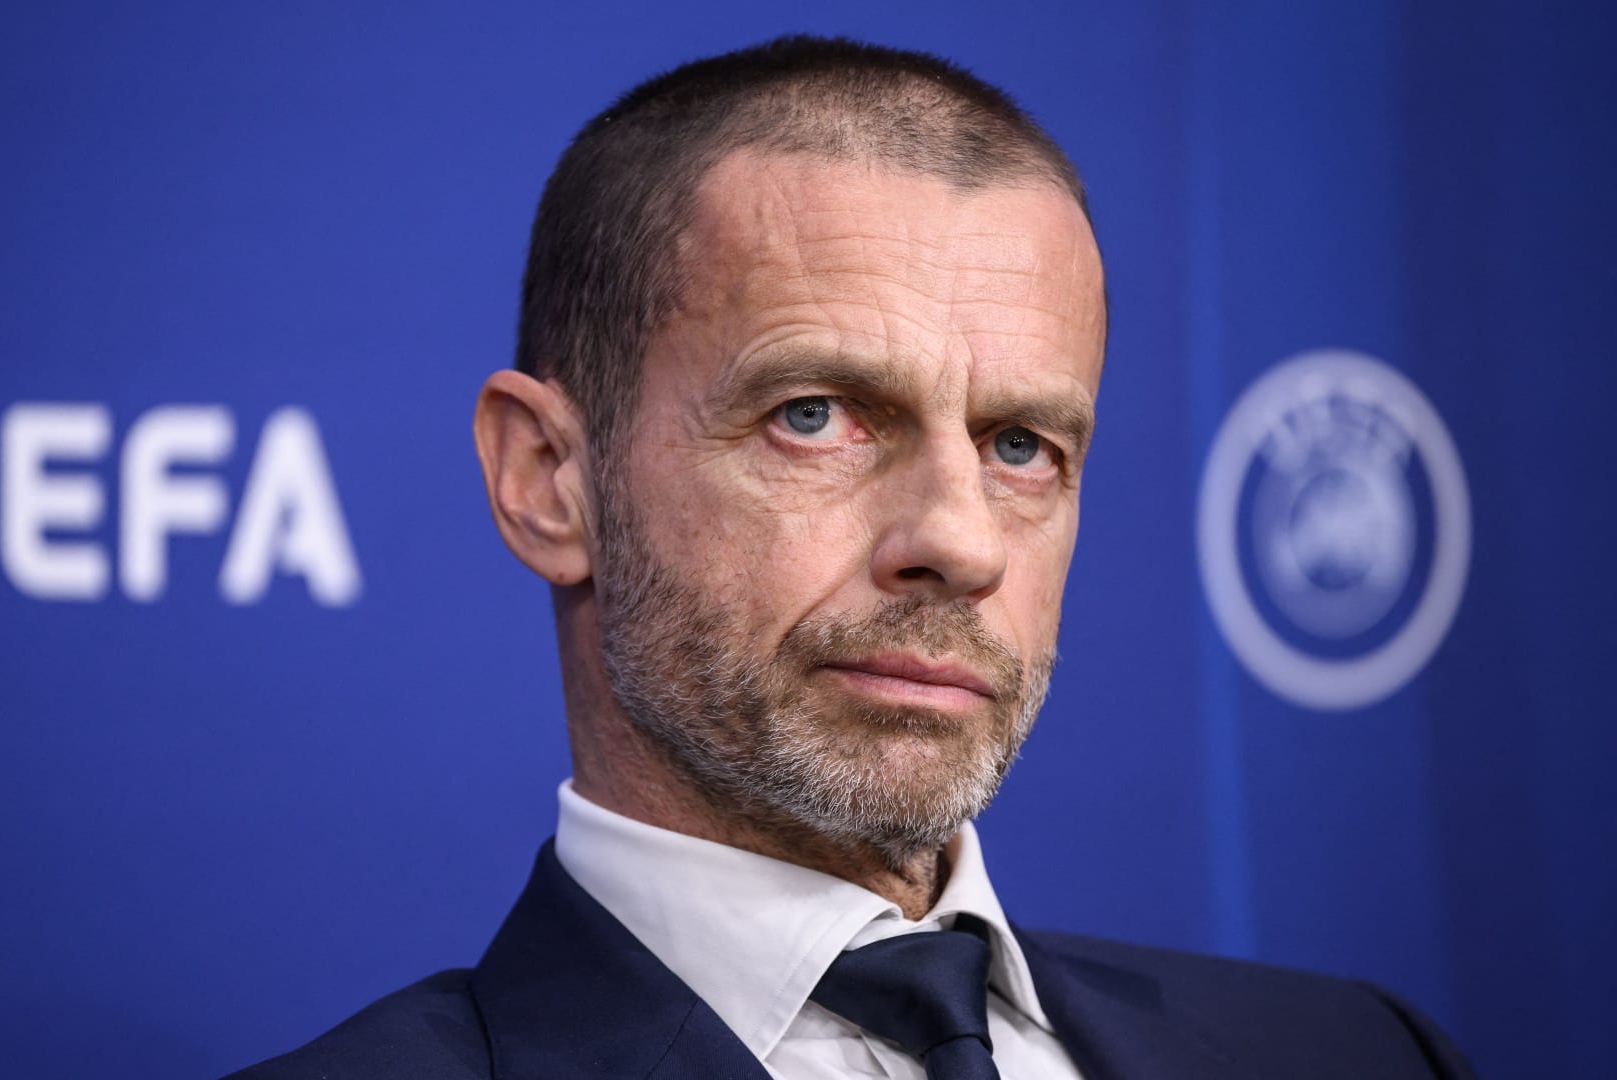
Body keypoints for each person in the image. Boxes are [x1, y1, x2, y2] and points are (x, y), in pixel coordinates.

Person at [230, 35, 1475, 1080]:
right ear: (550, 481)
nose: (961, 542)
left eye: (1022, 446)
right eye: (815, 416)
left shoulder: (1361, 1054)